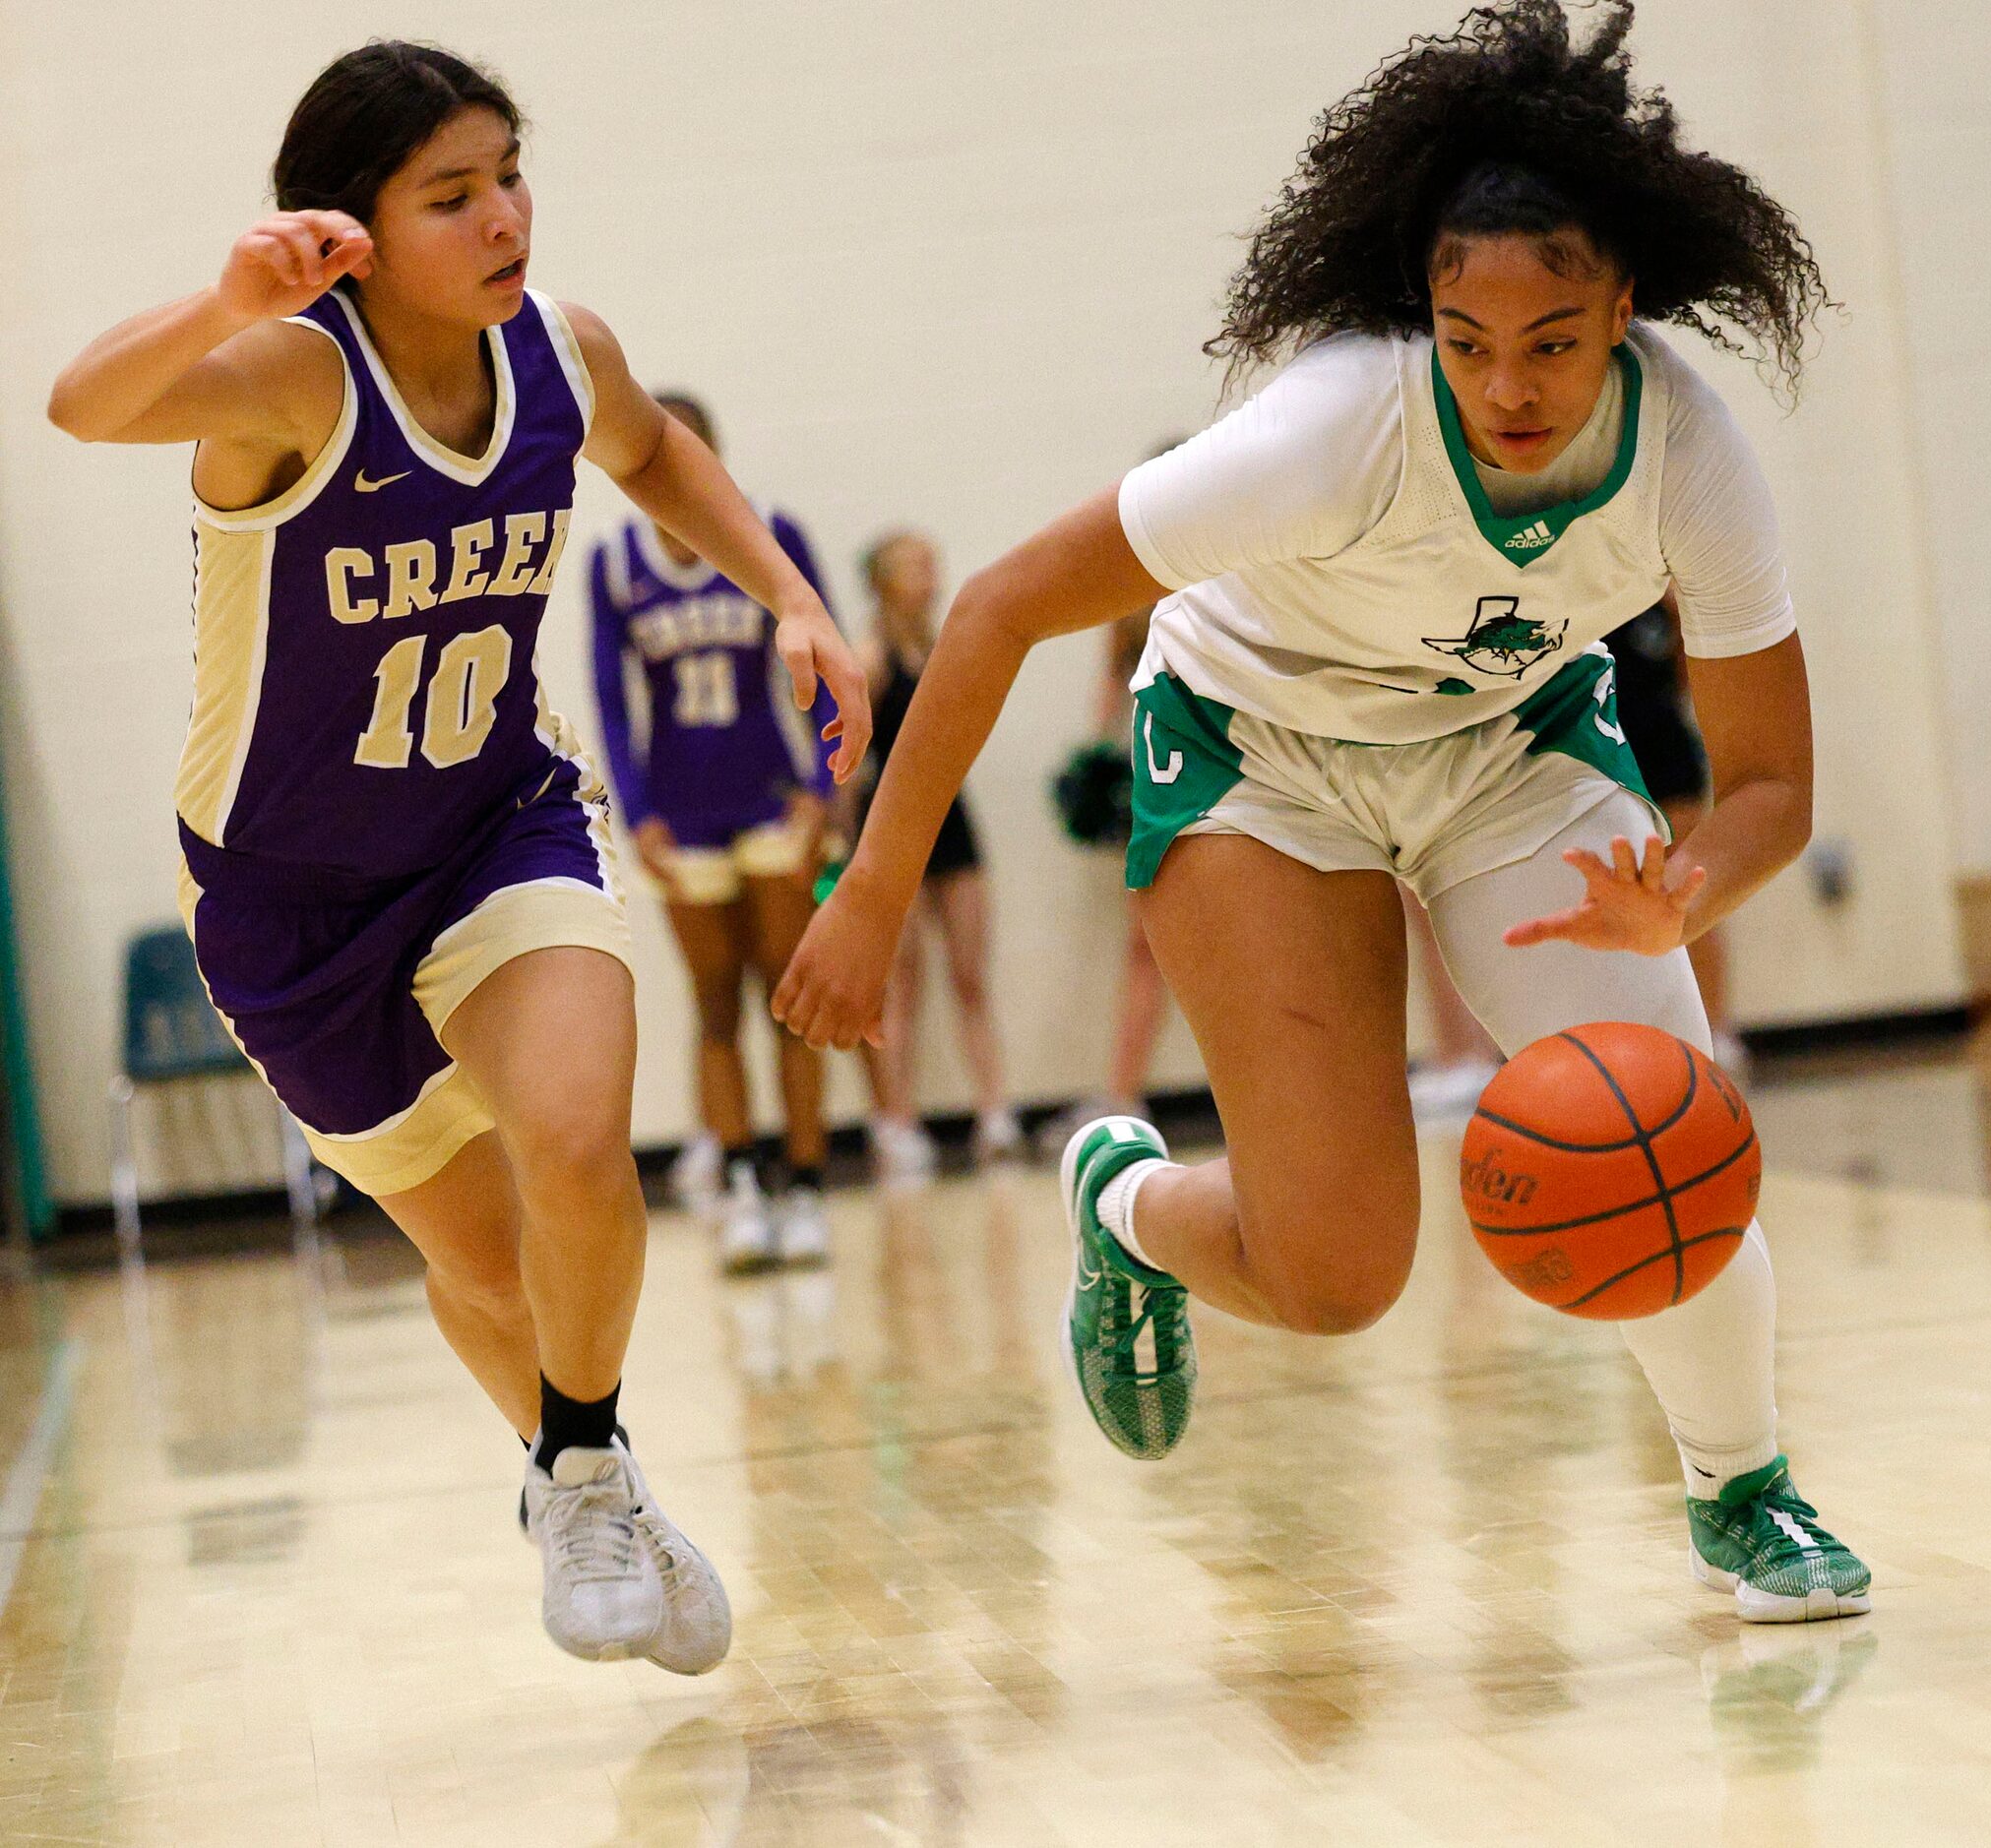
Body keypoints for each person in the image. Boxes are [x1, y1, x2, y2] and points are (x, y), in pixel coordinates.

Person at [780, 0, 1870, 1623]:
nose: (1508, 383)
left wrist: (1686, 892)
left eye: (1554, 342)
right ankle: (1128, 1203)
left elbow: (1773, 779)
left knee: (1665, 1110)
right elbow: (1004, 602)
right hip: (1257, 754)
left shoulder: (1690, 454)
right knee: (1339, 1270)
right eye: (1468, 336)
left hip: (1512, 748)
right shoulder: (1332, 427)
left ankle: (1744, 1486)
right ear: (1422, 313)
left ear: (1624, 310)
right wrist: (873, 885)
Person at [47, 42, 868, 1669]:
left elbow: (656, 456)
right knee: (484, 1266)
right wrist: (224, 295)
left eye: (509, 172)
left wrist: (792, 596)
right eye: (452, 193)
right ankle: (598, 1477)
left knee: (575, 1135)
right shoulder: (291, 376)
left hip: (500, 821)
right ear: (348, 231)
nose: (504, 214)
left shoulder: (565, 352)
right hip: (290, 901)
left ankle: (575, 1466)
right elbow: (81, 403)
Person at [588, 393, 836, 1271]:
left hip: (772, 800)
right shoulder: (614, 564)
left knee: (792, 1002)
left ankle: (806, 1189)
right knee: (714, 1004)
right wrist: (633, 810)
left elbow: (825, 650)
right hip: (681, 816)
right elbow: (613, 702)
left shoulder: (772, 535)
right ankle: (739, 1188)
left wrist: (822, 786)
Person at [843, 530, 1020, 1177]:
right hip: (891, 823)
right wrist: (844, 849)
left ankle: (995, 1111)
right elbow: (843, 762)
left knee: (971, 974)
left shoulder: (942, 647)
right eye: (917, 564)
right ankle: (896, 1121)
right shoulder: (870, 658)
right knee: (904, 982)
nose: (931, 573)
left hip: (951, 818)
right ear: (885, 580)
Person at [1609, 594, 1746, 1072]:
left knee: (1687, 883)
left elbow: (1688, 659)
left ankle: (1716, 1028)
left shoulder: (1659, 590)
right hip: (1596, 749)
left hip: (1661, 741)